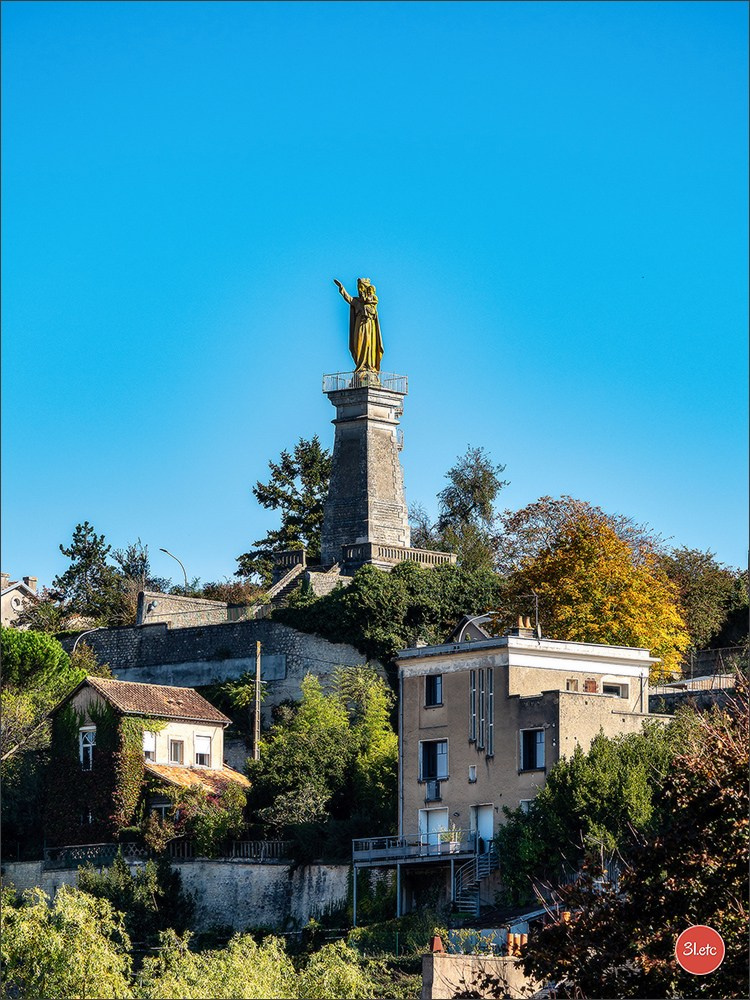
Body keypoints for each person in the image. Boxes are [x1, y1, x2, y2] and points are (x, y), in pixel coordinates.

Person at [334, 277, 384, 373]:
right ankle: (360, 366)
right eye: (359, 289)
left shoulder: (371, 303)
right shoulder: (357, 302)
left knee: (369, 345)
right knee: (359, 345)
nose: (360, 291)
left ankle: (369, 366)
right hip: (359, 326)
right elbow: (348, 298)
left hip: (369, 327)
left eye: (361, 288)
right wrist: (342, 289)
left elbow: (374, 312)